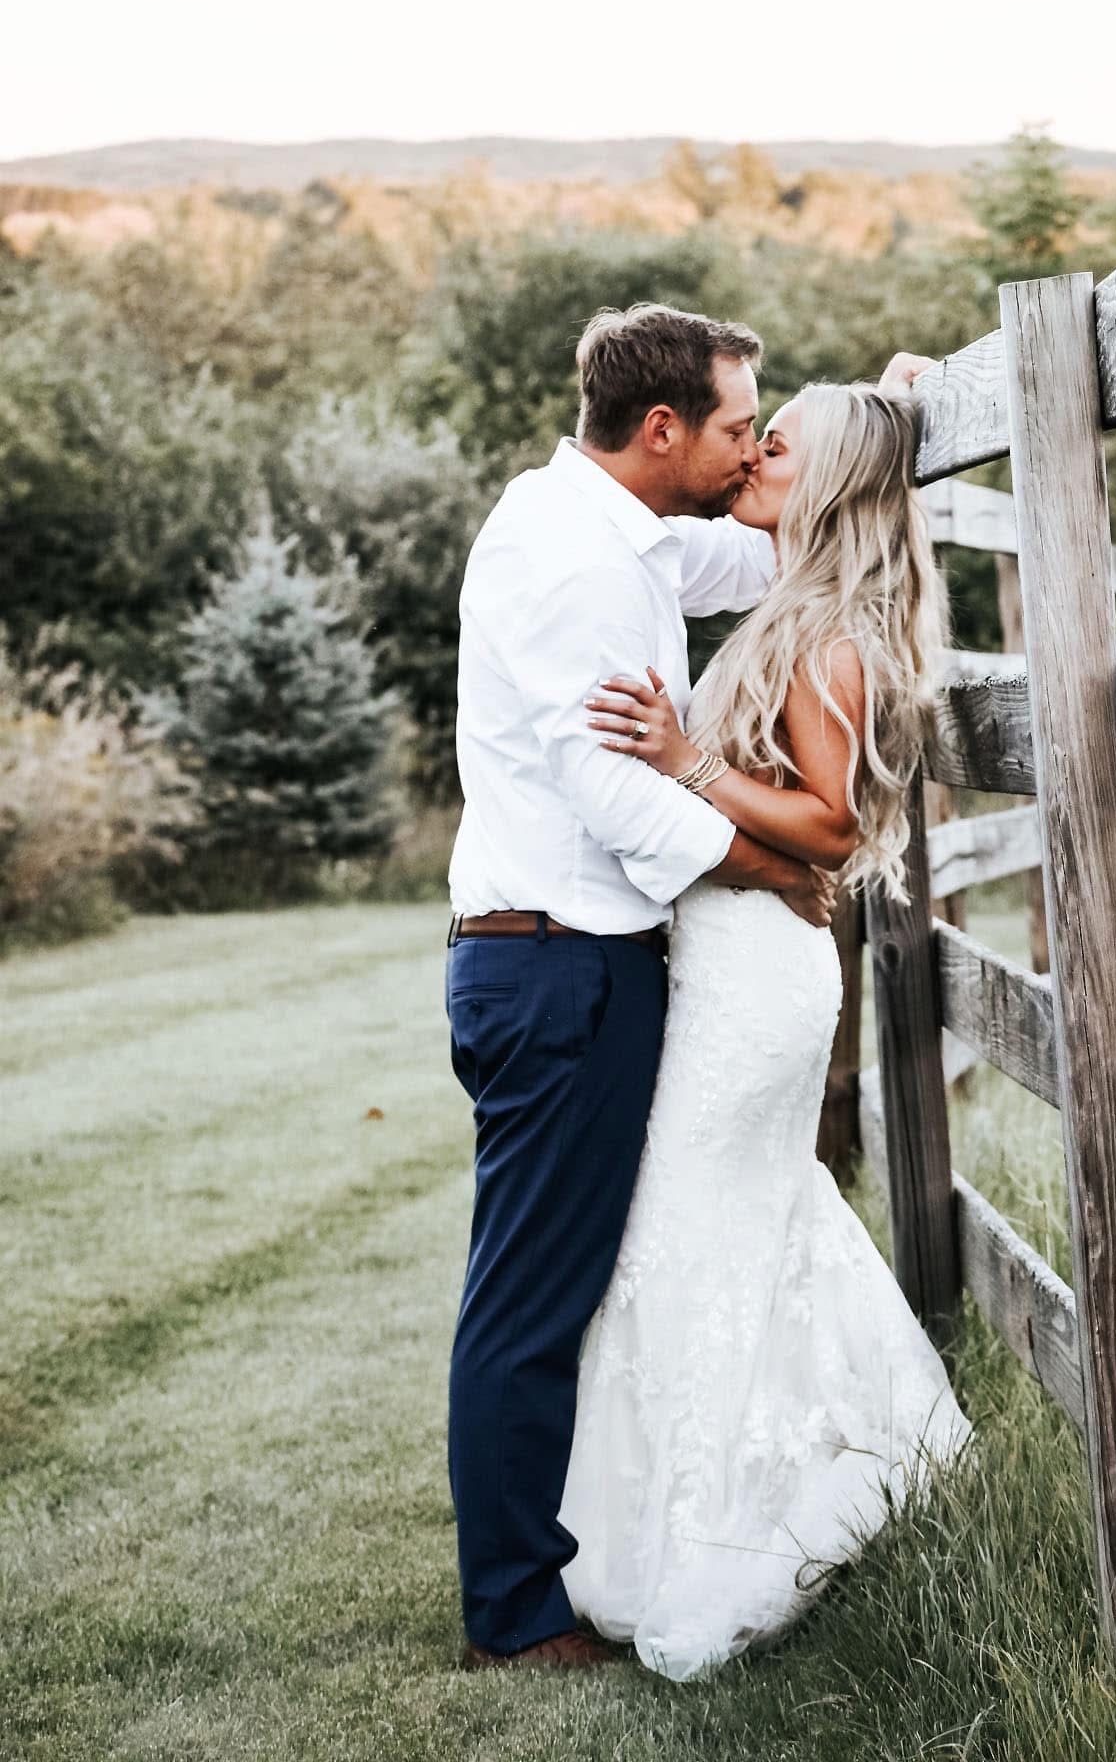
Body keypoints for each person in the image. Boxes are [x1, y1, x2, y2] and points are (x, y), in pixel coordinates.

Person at [446, 303, 849, 1672]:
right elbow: (612, 792)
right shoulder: (568, 560)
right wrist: (772, 867)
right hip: (556, 966)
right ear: (661, 427)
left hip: (571, 959)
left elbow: (758, 549)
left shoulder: (610, 530)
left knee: (562, 1284)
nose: (752, 453)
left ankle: (557, 1563)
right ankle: (512, 1613)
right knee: (532, 1300)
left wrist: (887, 425)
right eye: (740, 426)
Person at [556, 369, 976, 1680]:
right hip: (736, 962)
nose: (751, 457)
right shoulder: (795, 598)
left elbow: (835, 828)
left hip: (758, 985)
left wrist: (687, 766)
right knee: (737, 1222)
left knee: (694, 1224)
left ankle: (722, 1521)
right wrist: (899, 381)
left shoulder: (838, 633)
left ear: (826, 476)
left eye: (772, 444)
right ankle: (800, 1457)